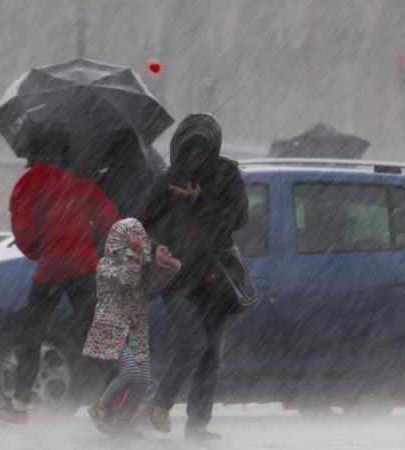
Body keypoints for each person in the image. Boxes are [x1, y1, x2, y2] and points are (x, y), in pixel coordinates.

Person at [0, 129, 120, 424]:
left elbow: (25, 232)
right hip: (85, 266)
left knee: (31, 336)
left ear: (34, 153)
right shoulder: (82, 182)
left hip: (52, 268)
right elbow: (111, 219)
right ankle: (120, 397)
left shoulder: (30, 182)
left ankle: (19, 407)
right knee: (95, 333)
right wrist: (85, 240)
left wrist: (43, 249)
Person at [139, 113, 248, 442]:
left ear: (214, 149)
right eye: (189, 151)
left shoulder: (227, 175)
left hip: (214, 277)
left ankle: (198, 424)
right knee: (193, 343)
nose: (195, 159)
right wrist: (156, 247)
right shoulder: (166, 181)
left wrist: (203, 202)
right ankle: (160, 404)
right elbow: (142, 225)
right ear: (179, 149)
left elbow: (239, 217)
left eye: (202, 151)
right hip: (176, 278)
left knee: (212, 352)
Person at [84, 218, 180, 437]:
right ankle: (101, 407)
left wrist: (165, 265)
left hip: (135, 330)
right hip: (111, 328)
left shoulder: (140, 268)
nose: (136, 245)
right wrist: (135, 255)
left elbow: (153, 286)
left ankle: (123, 421)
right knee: (130, 371)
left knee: (143, 378)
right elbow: (126, 279)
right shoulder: (106, 265)